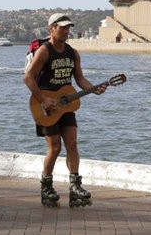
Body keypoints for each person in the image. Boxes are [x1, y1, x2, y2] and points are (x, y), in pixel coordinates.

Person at [23, 13, 106, 207]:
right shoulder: (44, 51)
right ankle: (46, 188)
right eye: (62, 28)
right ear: (51, 28)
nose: (66, 31)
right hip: (45, 107)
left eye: (68, 28)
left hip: (66, 105)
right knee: (55, 148)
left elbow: (80, 80)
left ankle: (75, 187)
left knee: (72, 144)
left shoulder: (72, 52)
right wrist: (43, 99)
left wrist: (94, 88)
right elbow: (28, 77)